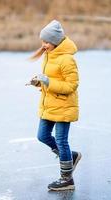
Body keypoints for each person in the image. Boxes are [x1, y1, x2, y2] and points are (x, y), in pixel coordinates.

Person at [27, 20, 82, 191]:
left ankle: (67, 179)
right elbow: (50, 81)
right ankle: (70, 157)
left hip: (64, 106)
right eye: (42, 41)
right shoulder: (49, 55)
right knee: (42, 136)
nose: (43, 45)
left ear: (56, 41)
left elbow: (71, 86)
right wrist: (39, 83)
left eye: (46, 42)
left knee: (61, 140)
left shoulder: (67, 59)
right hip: (50, 105)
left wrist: (48, 81)